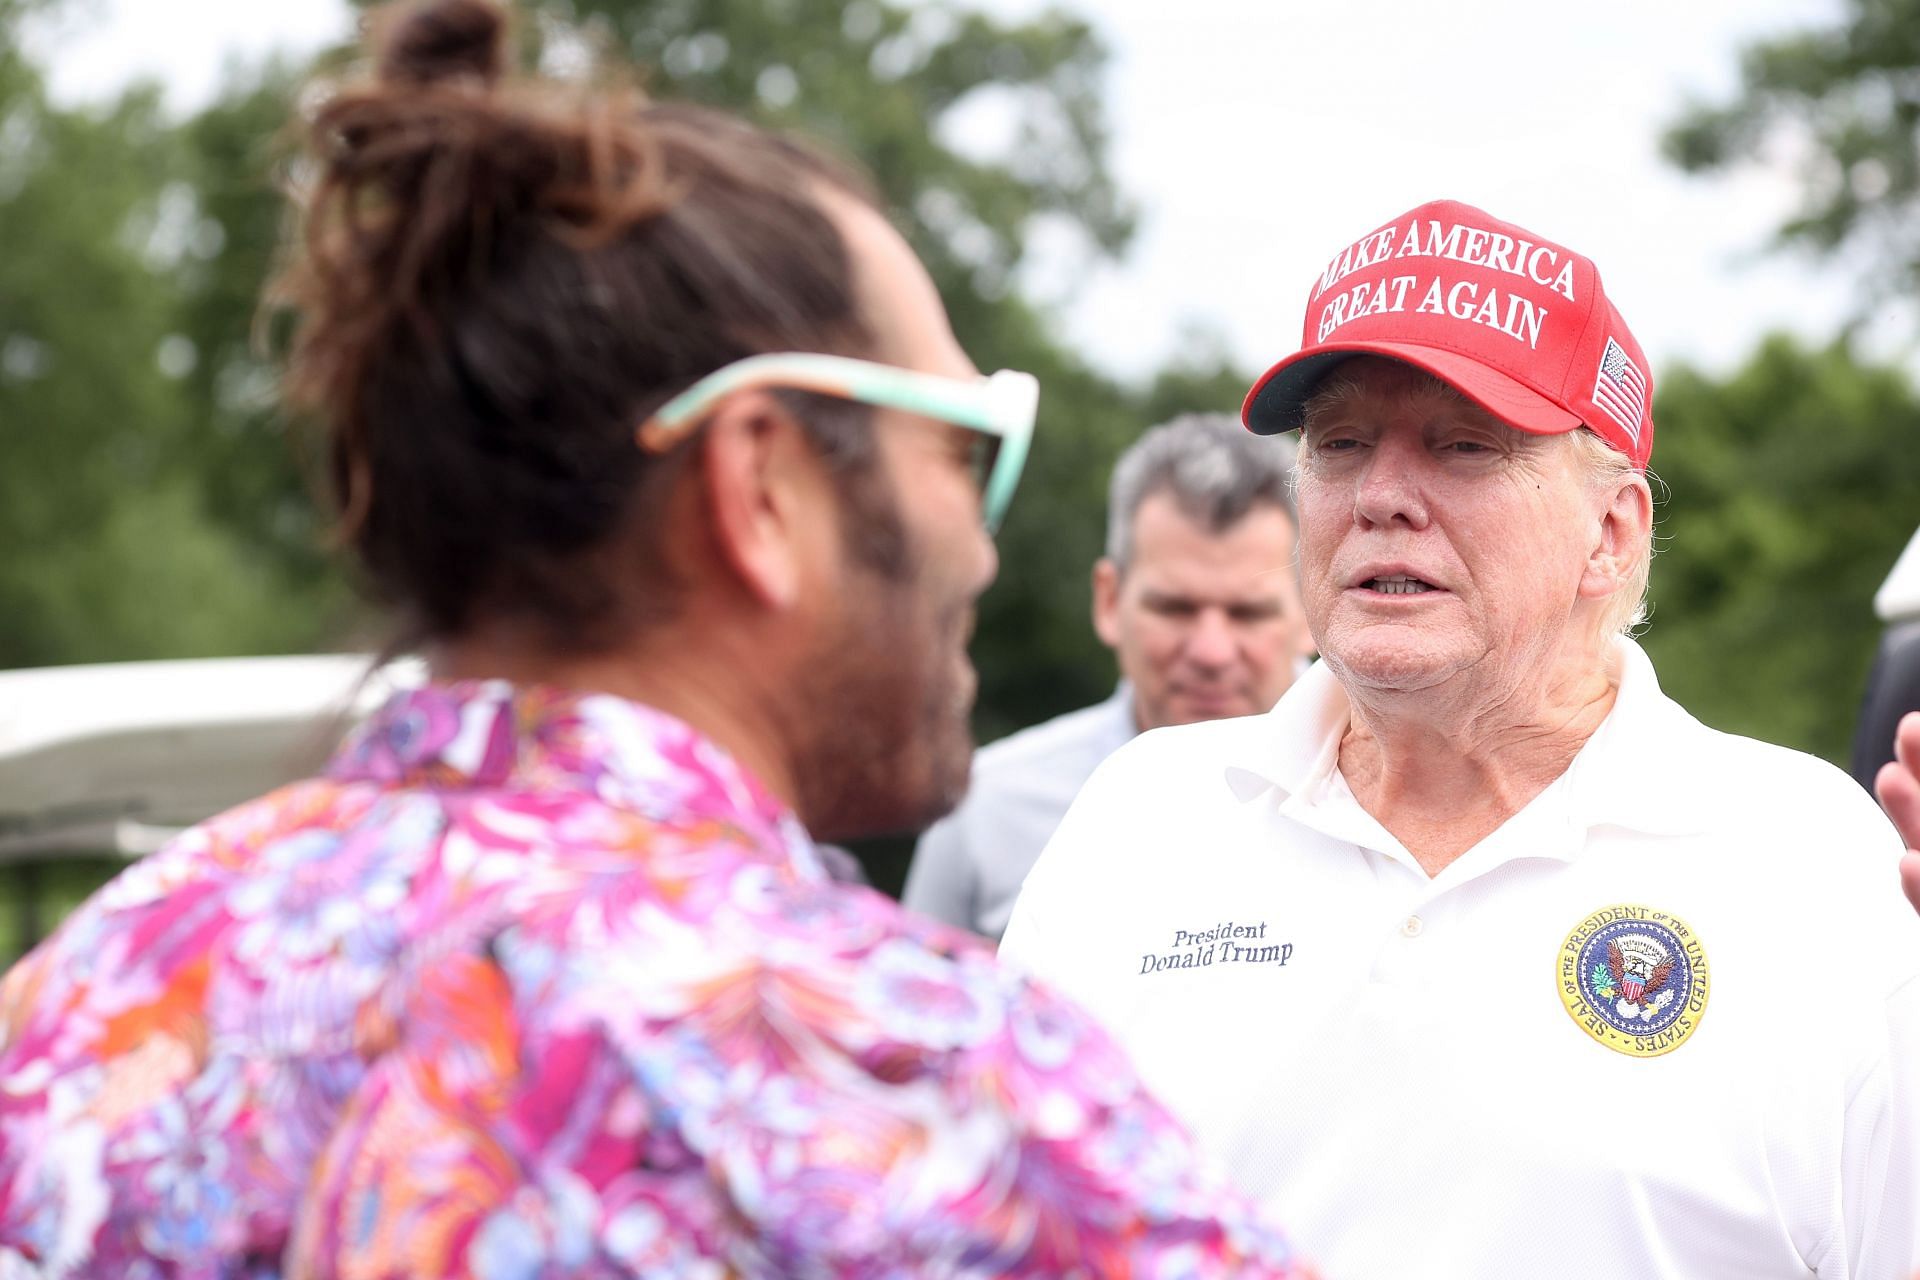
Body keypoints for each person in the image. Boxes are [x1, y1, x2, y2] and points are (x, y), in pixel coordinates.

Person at [0, 3, 1310, 1275]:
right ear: (763, 487)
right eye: (970, 449)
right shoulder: (907, 1080)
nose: (979, 544)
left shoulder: (107, 990)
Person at [1001, 198, 1920, 1277]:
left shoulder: (1812, 858)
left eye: (1464, 446)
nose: (1383, 495)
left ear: (1610, 533)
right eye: (1340, 443)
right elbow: (996, 1228)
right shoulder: (1142, 815)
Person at [904, 413, 1309, 938]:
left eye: (1249, 613)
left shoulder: (1407, 806)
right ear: (1109, 600)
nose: (1211, 651)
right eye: (1174, 608)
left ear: (1310, 612)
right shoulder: (985, 807)